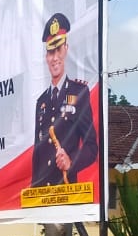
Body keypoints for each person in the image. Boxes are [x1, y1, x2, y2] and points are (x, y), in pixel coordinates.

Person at [32, 12, 98, 188]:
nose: (55, 58)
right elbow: (37, 154)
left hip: (66, 189)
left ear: (66, 49)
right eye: (50, 52)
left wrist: (71, 162)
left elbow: (92, 147)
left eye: (58, 50)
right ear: (46, 57)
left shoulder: (79, 93)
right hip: (42, 195)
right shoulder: (41, 101)